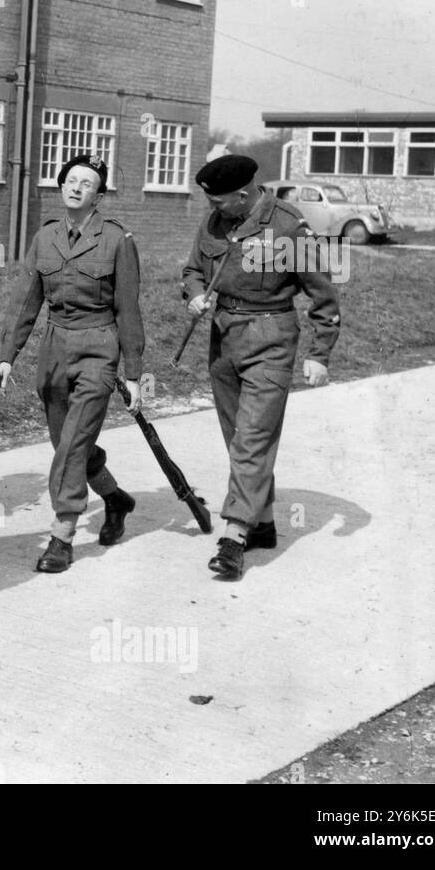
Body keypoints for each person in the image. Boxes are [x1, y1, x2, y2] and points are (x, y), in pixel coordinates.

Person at [182, 154, 340, 579]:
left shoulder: (288, 224)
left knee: (253, 439)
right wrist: (195, 293)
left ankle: (234, 537)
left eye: (221, 202)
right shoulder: (214, 221)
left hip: (271, 337)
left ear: (245, 194)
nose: (214, 210)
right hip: (224, 339)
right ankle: (264, 521)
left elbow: (322, 294)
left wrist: (319, 353)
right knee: (239, 439)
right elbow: (194, 269)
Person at [0, 153, 145, 574]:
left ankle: (62, 534)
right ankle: (115, 498)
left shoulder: (118, 240)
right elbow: (25, 301)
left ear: (99, 194)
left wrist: (133, 373)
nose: (77, 187)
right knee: (67, 444)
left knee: (73, 445)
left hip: (99, 347)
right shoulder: (44, 238)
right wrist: (8, 355)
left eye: (88, 182)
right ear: (61, 186)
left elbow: (128, 309)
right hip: (55, 347)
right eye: (71, 180)